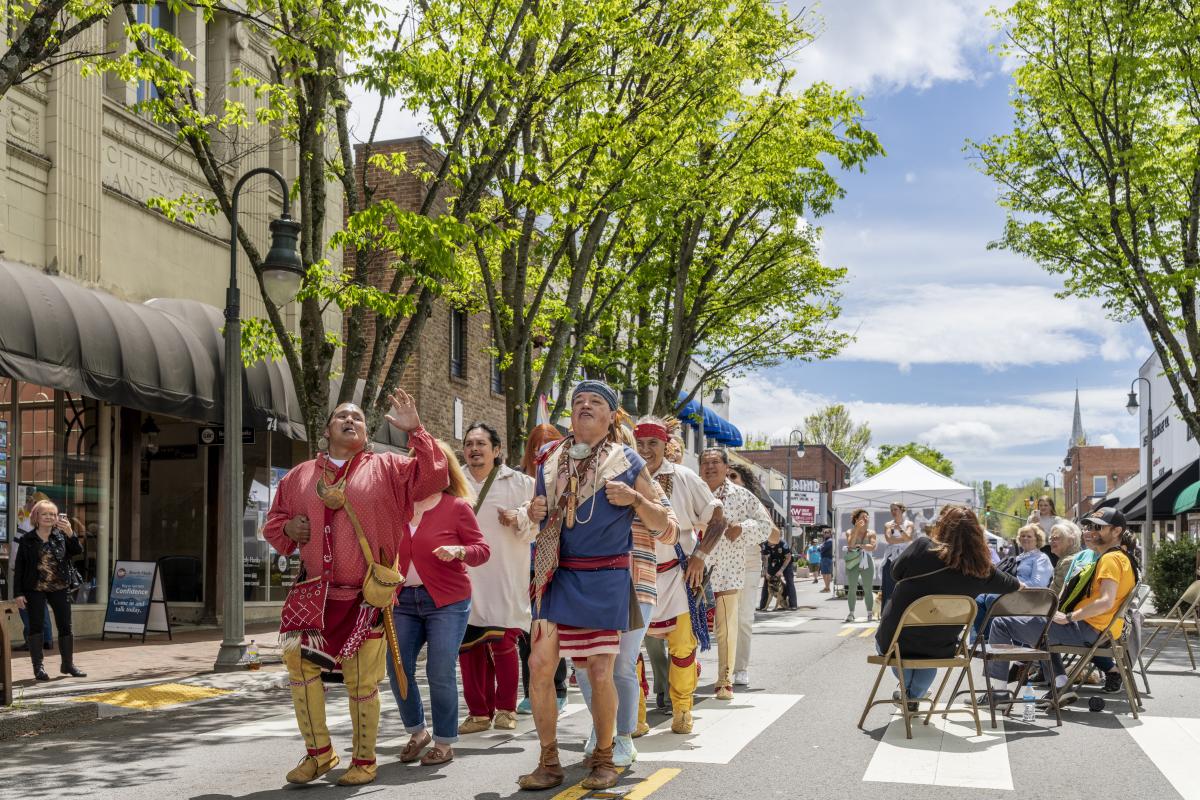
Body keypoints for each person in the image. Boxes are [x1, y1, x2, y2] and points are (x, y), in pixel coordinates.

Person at [262, 390, 448, 787]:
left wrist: (416, 430)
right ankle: (319, 754)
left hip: (367, 597)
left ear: (366, 432)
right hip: (314, 597)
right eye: (342, 416)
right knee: (300, 669)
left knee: (362, 681)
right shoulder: (298, 477)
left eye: (359, 419)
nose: (351, 421)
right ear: (327, 430)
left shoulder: (389, 469)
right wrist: (288, 529)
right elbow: (274, 523)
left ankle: (364, 760)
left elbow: (435, 476)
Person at [518, 381, 674, 792]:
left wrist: (636, 501)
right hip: (555, 573)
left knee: (601, 670)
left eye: (595, 402)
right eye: (577, 402)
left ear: (611, 417)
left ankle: (605, 757)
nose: (584, 406)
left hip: (605, 576)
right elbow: (538, 516)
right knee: (538, 666)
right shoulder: (549, 459)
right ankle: (548, 761)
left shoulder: (628, 462)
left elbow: (669, 527)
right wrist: (535, 510)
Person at [390, 440, 491, 767]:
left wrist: (460, 551)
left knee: (439, 670)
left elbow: (482, 550)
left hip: (447, 600)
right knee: (398, 667)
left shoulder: (457, 507)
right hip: (403, 599)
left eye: (428, 464)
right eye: (414, 464)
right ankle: (418, 731)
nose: (419, 470)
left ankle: (445, 742)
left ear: (442, 469)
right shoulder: (397, 506)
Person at [986, 507, 1138, 700]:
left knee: (1002, 624)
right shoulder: (1124, 557)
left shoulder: (1109, 559)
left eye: (1099, 527)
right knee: (1044, 627)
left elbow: (1106, 601)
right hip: (1103, 630)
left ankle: (998, 694)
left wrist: (1068, 617)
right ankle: (1060, 685)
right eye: (1090, 526)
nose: (1092, 531)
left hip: (1089, 628)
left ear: (1117, 531)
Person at [876, 505, 1020, 707]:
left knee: (902, 648)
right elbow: (1013, 585)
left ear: (942, 527)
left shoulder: (922, 547)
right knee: (927, 653)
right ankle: (912, 696)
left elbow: (895, 573)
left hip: (895, 640)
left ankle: (909, 694)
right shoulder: (980, 568)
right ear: (977, 534)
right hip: (941, 646)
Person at [634, 416, 723, 734]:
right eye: (639, 443)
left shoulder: (684, 478)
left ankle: (683, 709)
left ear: (665, 445)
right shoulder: (622, 478)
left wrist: (700, 556)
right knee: (629, 651)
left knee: (683, 646)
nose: (645, 450)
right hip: (633, 576)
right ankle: (635, 715)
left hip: (677, 576)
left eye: (652, 444)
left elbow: (718, 519)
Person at [456, 422, 536, 735]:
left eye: (481, 444)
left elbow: (542, 515)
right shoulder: (454, 481)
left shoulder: (519, 482)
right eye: (469, 444)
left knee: (503, 643)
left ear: (497, 450)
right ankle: (478, 712)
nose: (474, 449)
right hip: (463, 576)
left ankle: (506, 708)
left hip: (504, 572)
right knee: (469, 647)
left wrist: (520, 516)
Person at [689, 448, 772, 700]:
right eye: (705, 463)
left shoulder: (742, 496)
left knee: (726, 626)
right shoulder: (692, 491)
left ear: (726, 467)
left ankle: (725, 678)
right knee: (688, 624)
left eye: (715, 462)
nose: (710, 467)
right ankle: (686, 674)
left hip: (727, 568)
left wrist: (742, 528)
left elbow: (766, 525)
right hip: (693, 568)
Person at [516, 423, 569, 716]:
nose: (544, 450)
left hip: (558, 563)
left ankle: (559, 688)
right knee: (528, 631)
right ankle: (530, 690)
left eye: (551, 443)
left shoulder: (567, 478)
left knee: (551, 629)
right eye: (538, 445)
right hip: (524, 564)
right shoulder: (518, 480)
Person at [13, 500, 86, 681]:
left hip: (59, 587)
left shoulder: (60, 536)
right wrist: (18, 593)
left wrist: (70, 532)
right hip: (34, 588)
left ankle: (67, 665)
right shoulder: (27, 539)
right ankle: (39, 668)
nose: (49, 517)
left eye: (53, 514)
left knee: (65, 626)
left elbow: (77, 550)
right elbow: (20, 568)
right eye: (45, 514)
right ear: (36, 517)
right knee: (36, 626)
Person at [727, 462, 778, 686]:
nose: (728, 479)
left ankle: (740, 668)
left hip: (749, 564)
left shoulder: (754, 504)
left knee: (744, 618)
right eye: (725, 475)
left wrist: (747, 525)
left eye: (733, 476)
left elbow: (775, 537)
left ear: (745, 482)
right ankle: (724, 668)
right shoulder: (716, 500)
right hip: (723, 565)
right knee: (725, 620)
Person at [975, 523, 1053, 635]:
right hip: (1012, 592)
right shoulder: (1018, 557)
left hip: (1029, 597)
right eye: (1023, 535)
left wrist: (1014, 585)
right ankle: (984, 641)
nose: (1025, 538)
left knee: (993, 599)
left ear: (1037, 539)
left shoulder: (1041, 558)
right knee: (978, 599)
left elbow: (1038, 584)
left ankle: (997, 639)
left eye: (1029, 536)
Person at [13, 490, 53, 653]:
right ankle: (47, 639)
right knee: (41, 606)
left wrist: (15, 567)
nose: (27, 503)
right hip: (45, 571)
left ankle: (32, 640)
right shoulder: (49, 523)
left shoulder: (27, 523)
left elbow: (17, 549)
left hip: (28, 571)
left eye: (30, 501)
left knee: (24, 606)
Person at [844, 510, 878, 623]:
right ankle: (851, 613)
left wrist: (859, 545)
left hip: (866, 560)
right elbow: (850, 544)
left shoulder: (871, 532)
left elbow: (872, 546)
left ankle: (869, 613)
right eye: (863, 516)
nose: (866, 518)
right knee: (852, 587)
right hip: (853, 560)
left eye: (867, 516)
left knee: (868, 588)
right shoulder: (850, 531)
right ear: (856, 519)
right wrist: (857, 529)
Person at [880, 503, 914, 608]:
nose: (893, 512)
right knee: (889, 584)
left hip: (905, 556)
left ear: (902, 510)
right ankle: (887, 611)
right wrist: (902, 538)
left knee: (905, 584)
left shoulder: (909, 523)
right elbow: (889, 539)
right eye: (891, 510)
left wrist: (899, 529)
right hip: (891, 556)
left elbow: (908, 538)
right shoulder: (888, 524)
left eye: (895, 509)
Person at [1048, 520, 1093, 596]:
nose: (1051, 541)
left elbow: (1060, 594)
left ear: (1070, 541)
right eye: (1051, 538)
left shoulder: (1068, 561)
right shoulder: (1067, 558)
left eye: (1056, 538)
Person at [1028, 495, 1065, 566]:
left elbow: (1058, 538)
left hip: (1050, 551)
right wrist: (1031, 525)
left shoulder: (1056, 520)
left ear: (1051, 506)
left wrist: (1041, 530)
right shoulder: (1032, 518)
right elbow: (1026, 535)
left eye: (1045, 505)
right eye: (1040, 505)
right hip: (1034, 550)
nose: (1043, 507)